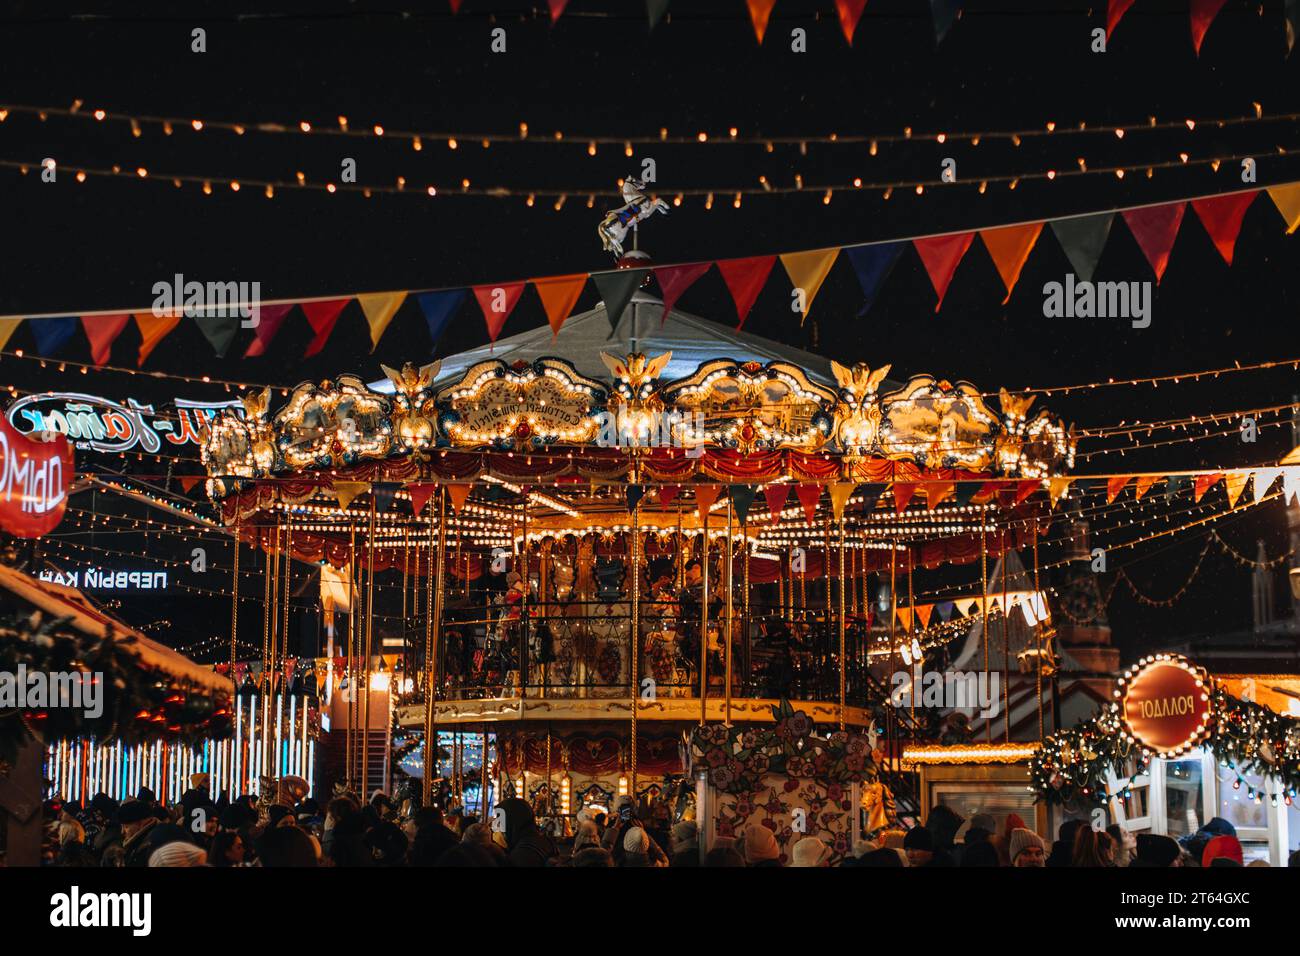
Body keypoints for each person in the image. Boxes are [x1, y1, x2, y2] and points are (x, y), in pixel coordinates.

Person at [498, 798, 556, 867]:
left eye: (500, 821)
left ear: (510, 822)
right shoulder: (545, 840)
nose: (498, 826)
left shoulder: (523, 854)